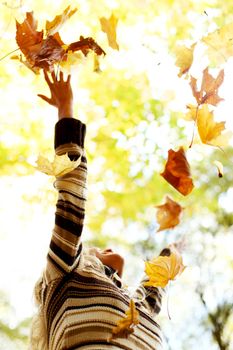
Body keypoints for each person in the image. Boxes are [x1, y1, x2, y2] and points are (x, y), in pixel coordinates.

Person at [30, 70, 165, 350]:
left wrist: (173, 251)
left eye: (95, 250)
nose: (103, 248)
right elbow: (72, 199)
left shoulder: (139, 309)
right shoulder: (65, 273)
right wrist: (66, 110)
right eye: (94, 250)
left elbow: (156, 285)